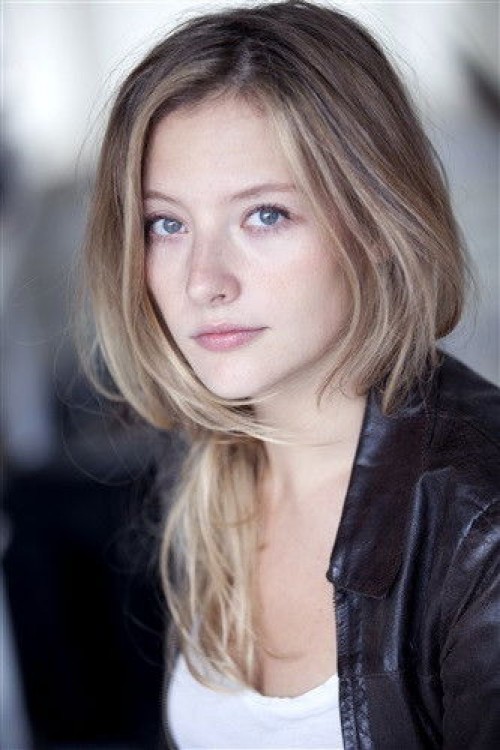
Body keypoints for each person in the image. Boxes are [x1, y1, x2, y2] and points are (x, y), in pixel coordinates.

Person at [80, 1, 500, 748]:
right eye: (166, 224)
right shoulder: (213, 471)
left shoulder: (483, 526)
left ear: (375, 219)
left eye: (265, 215)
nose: (204, 281)